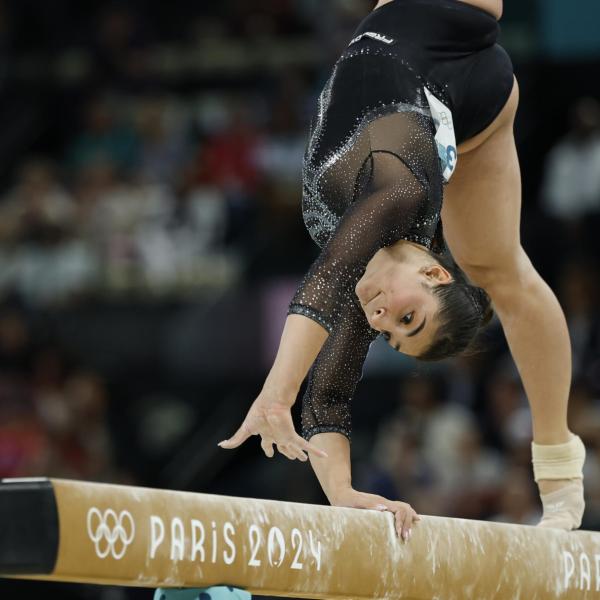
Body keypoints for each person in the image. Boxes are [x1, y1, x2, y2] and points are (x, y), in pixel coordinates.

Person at [219, 0, 586, 540]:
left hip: (464, 103)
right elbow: (324, 278)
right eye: (407, 318)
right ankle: (560, 469)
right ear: (435, 275)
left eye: (390, 335)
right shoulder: (398, 192)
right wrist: (276, 394)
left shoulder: (363, 278)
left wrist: (343, 495)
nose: (381, 319)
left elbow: (329, 400)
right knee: (494, 271)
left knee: (498, 267)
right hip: (451, 13)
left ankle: (558, 474)